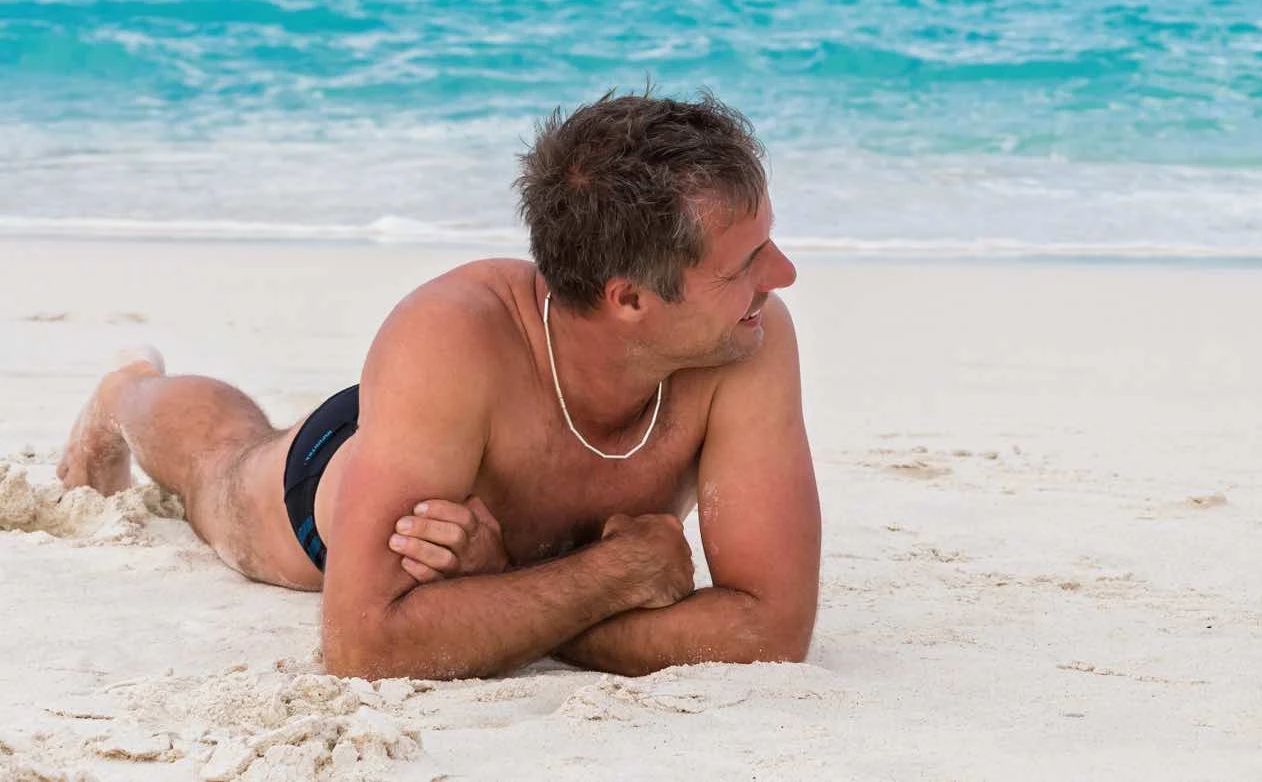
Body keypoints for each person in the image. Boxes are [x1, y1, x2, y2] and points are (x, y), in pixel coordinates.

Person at [52, 92, 817, 680]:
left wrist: (503, 594)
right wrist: (613, 577)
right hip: (349, 482)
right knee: (222, 465)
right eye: (747, 261)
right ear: (629, 298)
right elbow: (364, 645)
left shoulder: (745, 337)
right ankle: (124, 393)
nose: (780, 276)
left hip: (447, 452)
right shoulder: (450, 334)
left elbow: (770, 630)